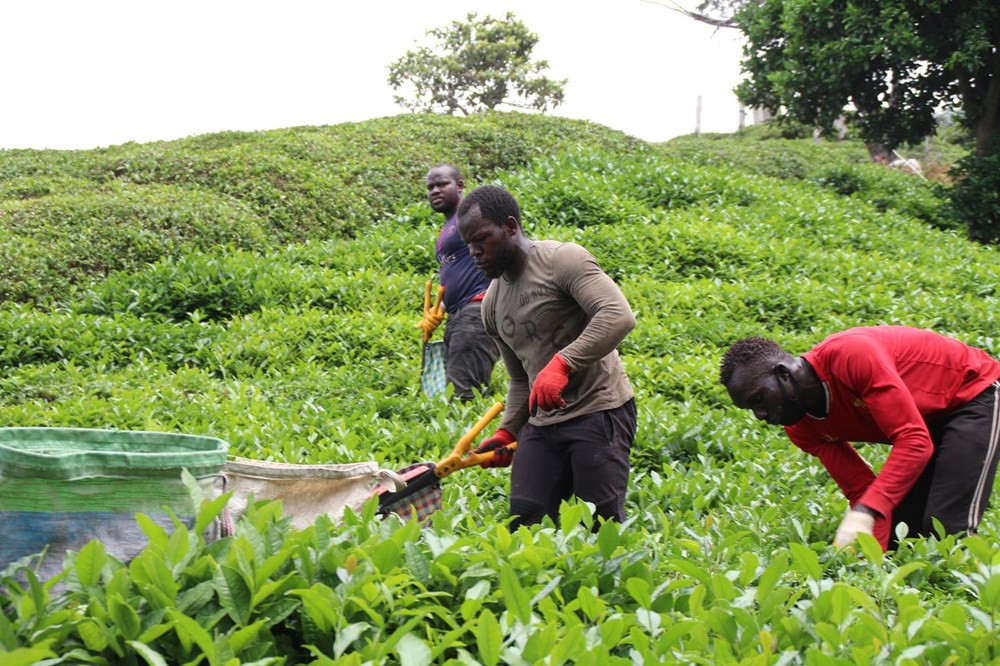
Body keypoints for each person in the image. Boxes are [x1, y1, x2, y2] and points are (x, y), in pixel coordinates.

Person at [720, 326, 1000, 550]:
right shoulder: (800, 427)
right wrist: (870, 559)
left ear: (783, 373)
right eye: (751, 408)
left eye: (759, 399)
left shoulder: (852, 355)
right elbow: (860, 489)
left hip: (974, 393)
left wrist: (865, 512)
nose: (760, 415)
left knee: (947, 529)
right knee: (901, 534)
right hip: (926, 421)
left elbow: (913, 440)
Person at [456, 184, 637, 529]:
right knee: (524, 520)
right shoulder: (491, 305)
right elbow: (521, 379)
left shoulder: (561, 260)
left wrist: (563, 362)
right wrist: (508, 431)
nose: (475, 252)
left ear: (510, 227)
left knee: (599, 525)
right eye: (468, 245)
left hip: (598, 410)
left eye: (482, 239)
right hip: (542, 424)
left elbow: (617, 314)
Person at [418, 164, 499, 401]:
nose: (435, 190)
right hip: (459, 315)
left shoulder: (474, 215)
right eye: (430, 187)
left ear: (460, 185)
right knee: (450, 392)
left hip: (477, 310)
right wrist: (438, 311)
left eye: (442, 184)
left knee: (463, 395)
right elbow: (459, 273)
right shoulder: (449, 227)